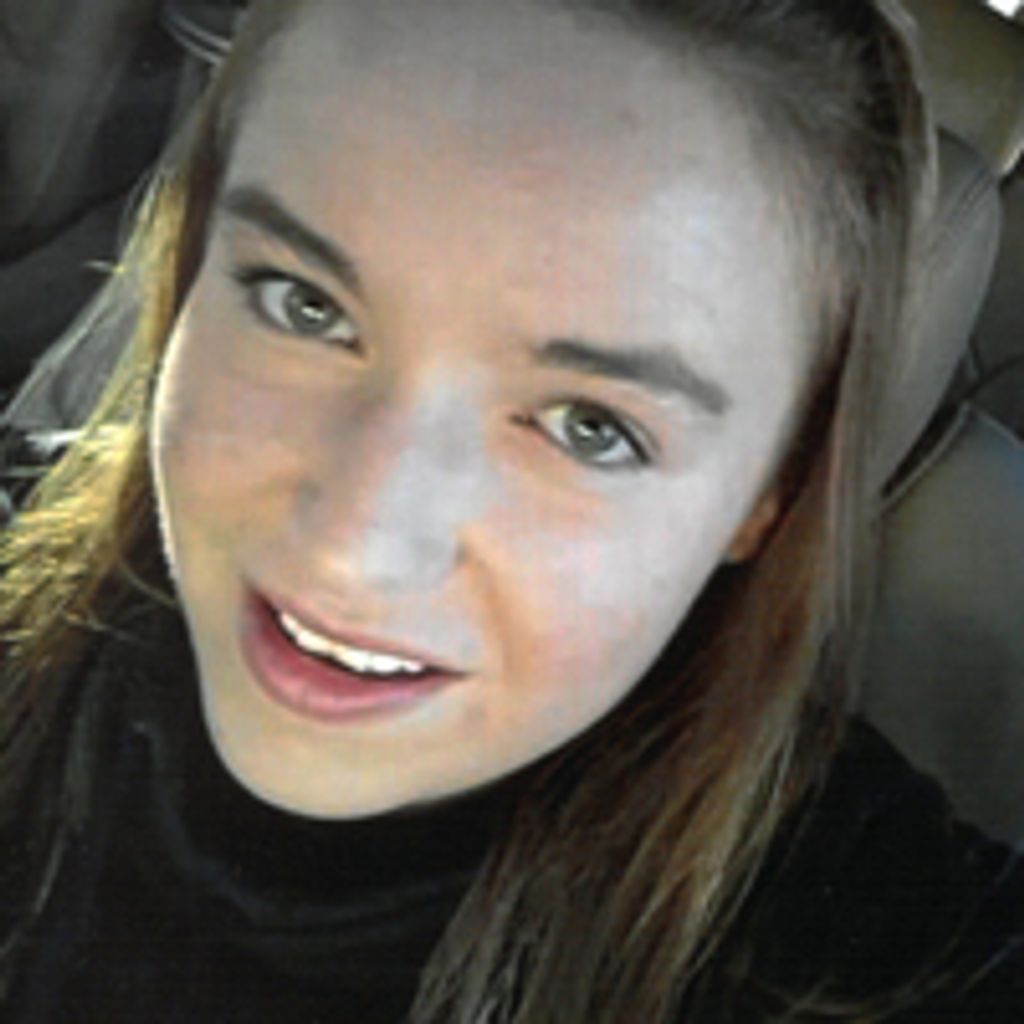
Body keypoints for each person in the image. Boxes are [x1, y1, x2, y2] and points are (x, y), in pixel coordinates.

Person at [1, 0, 1021, 1020]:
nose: (357, 550)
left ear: (769, 495)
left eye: (590, 427)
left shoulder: (872, 938)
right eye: (302, 304)